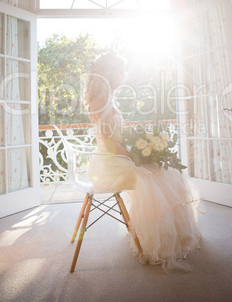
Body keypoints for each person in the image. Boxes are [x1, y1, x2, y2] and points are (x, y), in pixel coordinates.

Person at [84, 52, 202, 272]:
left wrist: (137, 147)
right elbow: (106, 140)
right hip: (111, 162)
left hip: (113, 157)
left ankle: (174, 235)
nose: (124, 74)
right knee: (161, 175)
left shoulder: (105, 97)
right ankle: (161, 241)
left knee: (165, 172)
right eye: (121, 70)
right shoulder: (102, 99)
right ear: (109, 72)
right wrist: (134, 157)